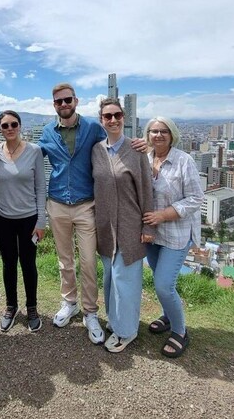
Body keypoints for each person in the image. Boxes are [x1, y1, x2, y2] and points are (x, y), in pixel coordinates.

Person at [38, 83, 107, 344]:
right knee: (64, 259)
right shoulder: (46, 132)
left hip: (85, 203)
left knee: (88, 260)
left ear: (76, 101)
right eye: (59, 102)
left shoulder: (92, 127)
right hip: (56, 202)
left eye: (68, 100)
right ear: (54, 104)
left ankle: (91, 311)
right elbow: (29, 157)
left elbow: (112, 146)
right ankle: (70, 302)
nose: (64, 104)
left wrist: (137, 147)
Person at [92, 98, 155, 353]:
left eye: (117, 115)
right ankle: (116, 321)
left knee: (125, 279)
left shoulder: (137, 150)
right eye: (108, 116)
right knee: (109, 279)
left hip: (130, 225)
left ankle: (126, 332)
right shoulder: (96, 150)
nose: (113, 120)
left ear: (124, 118)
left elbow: (147, 191)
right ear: (102, 121)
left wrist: (148, 227)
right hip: (105, 226)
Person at [141, 117, 205, 358]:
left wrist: (163, 215)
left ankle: (180, 331)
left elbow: (196, 198)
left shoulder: (183, 161)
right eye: (153, 131)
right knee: (161, 281)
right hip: (151, 233)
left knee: (163, 285)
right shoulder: (145, 158)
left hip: (176, 234)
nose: (158, 135)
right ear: (147, 135)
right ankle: (168, 317)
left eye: (163, 131)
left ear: (172, 135)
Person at [0, 110, 46, 333]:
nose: (10, 128)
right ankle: (11, 306)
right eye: (5, 125)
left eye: (14, 124)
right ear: (0, 129)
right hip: (3, 217)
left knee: (28, 263)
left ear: (20, 126)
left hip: (29, 218)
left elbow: (40, 187)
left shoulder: (34, 151)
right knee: (8, 263)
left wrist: (41, 220)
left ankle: (32, 307)